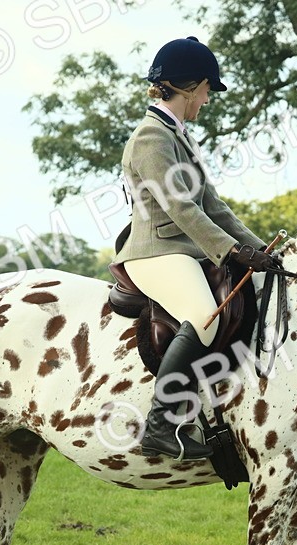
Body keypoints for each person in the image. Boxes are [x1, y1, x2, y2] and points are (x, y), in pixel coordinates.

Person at [115, 36, 278, 461]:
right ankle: (160, 426)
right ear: (191, 87)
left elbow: (213, 207)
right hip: (155, 251)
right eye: (207, 91)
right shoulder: (151, 138)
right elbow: (180, 208)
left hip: (183, 249)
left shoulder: (179, 136)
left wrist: (262, 251)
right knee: (206, 317)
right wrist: (231, 252)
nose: (207, 100)